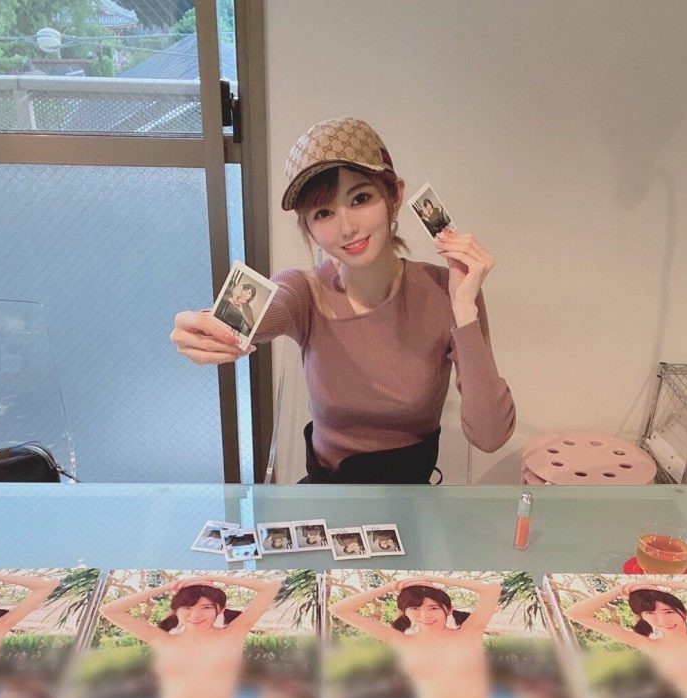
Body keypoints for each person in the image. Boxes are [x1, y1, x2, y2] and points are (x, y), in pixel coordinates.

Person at [171, 116, 515, 483]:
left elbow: (490, 436)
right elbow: (262, 310)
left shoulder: (446, 290)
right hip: (328, 500)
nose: (347, 227)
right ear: (308, 227)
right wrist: (208, 325)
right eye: (324, 212)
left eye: (361, 198)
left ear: (395, 195)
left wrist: (464, 309)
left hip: (411, 500)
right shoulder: (303, 292)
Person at [330, 577, 526, 698]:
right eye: (415, 608)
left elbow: (491, 590)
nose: (425, 615)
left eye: (433, 608)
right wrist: (391, 586)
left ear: (448, 609)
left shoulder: (469, 632)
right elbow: (339, 609)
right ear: (405, 612)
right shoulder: (401, 641)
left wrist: (430, 579)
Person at [100, 574, 281, 698]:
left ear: (220, 609)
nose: (196, 615)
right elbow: (109, 610)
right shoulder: (162, 640)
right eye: (187, 607)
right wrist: (169, 587)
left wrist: (212, 577)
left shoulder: (233, 634)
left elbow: (270, 588)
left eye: (206, 607)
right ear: (176, 609)